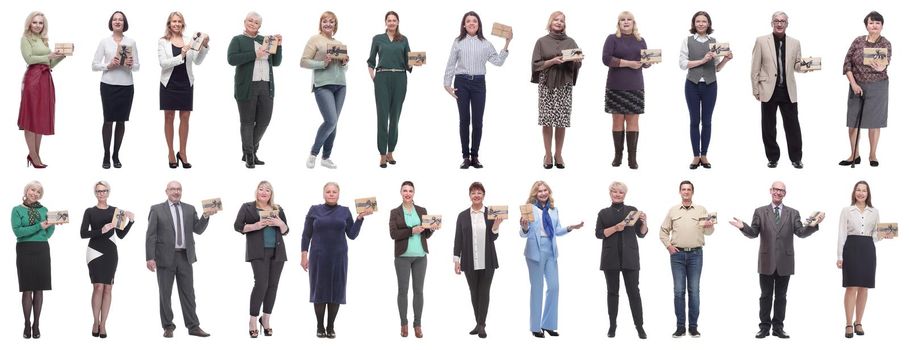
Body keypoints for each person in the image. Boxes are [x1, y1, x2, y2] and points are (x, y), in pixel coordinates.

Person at [729, 181, 823, 339]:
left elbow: (800, 232)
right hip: (766, 260)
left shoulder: (793, 213)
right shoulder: (760, 212)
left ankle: (778, 328)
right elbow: (753, 233)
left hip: (785, 261)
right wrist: (742, 226)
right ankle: (764, 327)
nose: (778, 193)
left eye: (782, 190)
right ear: (770, 191)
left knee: (781, 297)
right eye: (776, 189)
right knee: (765, 295)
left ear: (785, 193)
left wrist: (814, 225)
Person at [301, 182, 372, 339]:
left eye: (334, 191)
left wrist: (359, 218)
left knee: (336, 290)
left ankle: (331, 326)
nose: (331, 194)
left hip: (339, 257)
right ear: (323, 194)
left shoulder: (345, 211)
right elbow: (306, 235)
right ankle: (320, 325)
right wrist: (304, 255)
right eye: (328, 191)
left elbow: (352, 235)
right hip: (318, 256)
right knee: (319, 291)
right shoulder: (314, 210)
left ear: (339, 194)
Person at [145, 181, 215, 338]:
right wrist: (150, 257)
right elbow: (151, 235)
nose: (176, 192)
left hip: (185, 256)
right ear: (166, 191)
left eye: (179, 189)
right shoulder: (156, 209)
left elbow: (198, 230)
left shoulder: (189, 209)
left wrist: (205, 216)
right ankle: (168, 326)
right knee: (165, 293)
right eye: (173, 189)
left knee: (189, 293)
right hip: (164, 257)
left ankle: (193, 326)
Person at [443, 11, 512, 169]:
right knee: (464, 120)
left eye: (475, 21)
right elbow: (451, 63)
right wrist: (447, 84)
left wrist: (507, 44)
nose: (472, 23)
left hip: (479, 84)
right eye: (468, 21)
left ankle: (475, 156)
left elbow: (498, 62)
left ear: (479, 25)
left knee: (478, 122)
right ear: (464, 25)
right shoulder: (458, 42)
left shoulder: (485, 43)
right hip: (461, 82)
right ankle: (465, 157)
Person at [519, 181, 583, 338]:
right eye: (539, 191)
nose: (542, 193)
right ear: (535, 193)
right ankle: (535, 327)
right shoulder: (529, 208)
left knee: (554, 287)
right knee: (537, 288)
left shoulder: (554, 210)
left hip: (551, 249)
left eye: (545, 190)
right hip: (535, 250)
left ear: (549, 191)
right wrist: (525, 227)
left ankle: (548, 324)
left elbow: (556, 231)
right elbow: (523, 233)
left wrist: (570, 228)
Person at [751, 11, 808, 169]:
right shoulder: (761, 41)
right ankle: (773, 157)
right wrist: (755, 89)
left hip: (788, 90)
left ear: (787, 24)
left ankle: (796, 158)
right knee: (768, 127)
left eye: (782, 21)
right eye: (776, 20)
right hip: (768, 89)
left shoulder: (795, 43)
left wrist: (806, 67)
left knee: (793, 127)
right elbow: (755, 67)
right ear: (772, 23)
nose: (779, 23)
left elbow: (797, 65)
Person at [837, 181, 893, 338]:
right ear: (854, 192)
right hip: (851, 248)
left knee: (864, 287)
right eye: (858, 190)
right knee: (851, 287)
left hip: (868, 249)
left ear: (868, 194)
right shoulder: (846, 210)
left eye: (864, 191)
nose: (861, 193)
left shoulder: (874, 212)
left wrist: (884, 234)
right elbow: (841, 234)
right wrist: (839, 256)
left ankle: (859, 322)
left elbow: (875, 235)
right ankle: (848, 323)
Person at [658, 180, 714, 338]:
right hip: (677, 256)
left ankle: (694, 327)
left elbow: (708, 233)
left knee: (694, 291)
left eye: (689, 189)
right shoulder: (673, 211)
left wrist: (710, 226)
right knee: (678, 291)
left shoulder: (701, 210)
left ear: (692, 192)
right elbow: (663, 231)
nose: (686, 192)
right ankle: (680, 327)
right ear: (680, 192)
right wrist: (668, 246)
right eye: (683, 189)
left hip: (696, 255)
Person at [234, 181, 288, 338]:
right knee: (261, 284)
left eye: (268, 190)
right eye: (261, 189)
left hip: (278, 252)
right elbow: (238, 226)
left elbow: (286, 230)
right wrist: (255, 226)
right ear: (256, 191)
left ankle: (265, 319)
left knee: (273, 286)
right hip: (258, 252)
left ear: (271, 194)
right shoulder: (247, 207)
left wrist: (280, 223)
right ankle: (252, 320)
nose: (264, 192)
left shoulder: (278, 208)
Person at [79, 181, 134, 338]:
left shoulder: (116, 211)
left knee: (108, 288)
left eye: (104, 191)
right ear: (95, 193)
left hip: (110, 251)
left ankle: (103, 324)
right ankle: (95, 321)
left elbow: (121, 235)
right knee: (97, 287)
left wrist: (131, 221)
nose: (101, 193)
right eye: (98, 191)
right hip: (94, 250)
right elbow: (83, 233)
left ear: (108, 192)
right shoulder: (89, 211)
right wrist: (100, 230)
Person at [228, 12, 282, 169]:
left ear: (260, 26)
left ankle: (249, 150)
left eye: (256, 22)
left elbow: (276, 63)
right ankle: (250, 155)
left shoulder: (265, 40)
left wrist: (279, 45)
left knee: (264, 121)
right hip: (247, 86)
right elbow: (231, 59)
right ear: (244, 22)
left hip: (266, 85)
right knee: (247, 122)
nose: (252, 23)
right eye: (250, 20)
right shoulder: (237, 39)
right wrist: (254, 54)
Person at [595, 181, 649, 339]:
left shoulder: (632, 211)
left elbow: (642, 233)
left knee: (634, 292)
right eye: (615, 192)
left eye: (621, 192)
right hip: (610, 258)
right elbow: (598, 234)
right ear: (610, 193)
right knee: (612, 292)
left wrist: (644, 221)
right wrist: (615, 228)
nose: (618, 194)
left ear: (625, 195)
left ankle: (639, 327)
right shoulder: (603, 213)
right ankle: (612, 326)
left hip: (630, 257)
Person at [680, 11, 732, 169]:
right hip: (692, 84)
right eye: (698, 21)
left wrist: (725, 60)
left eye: (704, 21)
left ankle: (704, 155)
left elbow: (716, 69)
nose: (701, 24)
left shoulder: (714, 42)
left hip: (710, 85)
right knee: (694, 121)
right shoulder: (687, 40)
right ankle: (696, 156)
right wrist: (702, 60)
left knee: (707, 121)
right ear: (694, 24)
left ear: (708, 24)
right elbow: (682, 64)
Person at [531, 11, 582, 169]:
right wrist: (552, 61)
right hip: (546, 84)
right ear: (550, 22)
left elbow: (576, 65)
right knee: (547, 121)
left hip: (564, 84)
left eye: (562, 21)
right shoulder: (541, 41)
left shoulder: (571, 41)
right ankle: (547, 154)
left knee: (561, 121)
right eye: (556, 20)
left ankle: (558, 154)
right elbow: (536, 64)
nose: (559, 22)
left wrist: (577, 61)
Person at [839, 11, 891, 167]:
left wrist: (882, 67)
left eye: (877, 23)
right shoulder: (858, 41)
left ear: (882, 25)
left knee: (874, 122)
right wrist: (853, 83)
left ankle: (873, 155)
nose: (874, 25)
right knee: (853, 122)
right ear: (866, 25)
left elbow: (886, 62)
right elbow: (847, 63)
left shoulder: (885, 43)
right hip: (857, 85)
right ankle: (854, 155)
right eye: (871, 23)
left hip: (878, 86)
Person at [159, 12, 209, 169]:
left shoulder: (189, 40)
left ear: (183, 24)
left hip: (186, 82)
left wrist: (204, 46)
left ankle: (183, 152)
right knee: (169, 117)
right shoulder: (163, 41)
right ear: (169, 24)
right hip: (169, 83)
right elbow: (163, 63)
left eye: (179, 21)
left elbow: (197, 61)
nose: (176, 24)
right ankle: (171, 152)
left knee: (185, 117)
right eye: (174, 21)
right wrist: (181, 55)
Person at [453, 182, 504, 338]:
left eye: (479, 193)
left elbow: (493, 237)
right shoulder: (462, 215)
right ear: (470, 196)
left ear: (484, 195)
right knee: (474, 292)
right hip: (469, 260)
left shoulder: (491, 213)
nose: (476, 195)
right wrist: (456, 260)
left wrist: (496, 225)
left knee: (484, 291)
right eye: (473, 193)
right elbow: (458, 239)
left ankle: (481, 325)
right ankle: (478, 322)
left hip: (487, 260)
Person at [388, 181, 438, 338]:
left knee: (419, 291)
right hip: (402, 257)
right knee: (403, 291)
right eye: (405, 190)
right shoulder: (395, 212)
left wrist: (432, 229)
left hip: (420, 256)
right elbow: (393, 234)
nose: (407, 193)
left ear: (414, 193)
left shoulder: (422, 210)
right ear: (401, 192)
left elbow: (426, 234)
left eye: (410, 190)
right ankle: (404, 324)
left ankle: (418, 324)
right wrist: (411, 230)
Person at [603, 11, 651, 170]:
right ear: (618, 23)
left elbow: (645, 61)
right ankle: (618, 156)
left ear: (633, 23)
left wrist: (649, 62)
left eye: (629, 19)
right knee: (617, 120)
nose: (626, 22)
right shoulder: (612, 39)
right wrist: (628, 63)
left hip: (635, 85)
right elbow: (606, 59)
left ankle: (632, 158)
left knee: (633, 122)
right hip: (616, 85)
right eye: (622, 20)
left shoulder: (640, 40)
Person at [92, 11, 139, 169]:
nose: (117, 22)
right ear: (111, 23)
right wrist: (108, 65)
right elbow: (94, 65)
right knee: (108, 120)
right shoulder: (104, 42)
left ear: (124, 23)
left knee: (121, 121)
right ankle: (106, 154)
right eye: (115, 19)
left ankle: (116, 154)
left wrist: (131, 64)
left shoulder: (131, 42)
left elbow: (138, 66)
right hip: (108, 85)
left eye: (120, 19)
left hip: (126, 86)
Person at [301, 11, 347, 170]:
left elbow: (344, 67)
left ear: (335, 25)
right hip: (323, 85)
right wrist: (322, 63)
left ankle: (326, 157)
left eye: (331, 22)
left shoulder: (339, 43)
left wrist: (344, 62)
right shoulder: (315, 39)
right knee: (331, 121)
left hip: (340, 85)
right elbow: (303, 61)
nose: (328, 24)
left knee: (334, 123)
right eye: (325, 21)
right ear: (320, 24)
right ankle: (313, 154)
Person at [19, 11, 65, 169]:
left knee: (40, 117)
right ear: (29, 23)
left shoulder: (44, 40)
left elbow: (49, 65)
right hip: (33, 79)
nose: (38, 25)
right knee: (31, 117)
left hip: (45, 79)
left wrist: (60, 57)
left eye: (40, 23)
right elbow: (29, 59)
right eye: (35, 22)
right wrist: (49, 56)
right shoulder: (26, 39)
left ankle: (36, 155)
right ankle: (33, 154)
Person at [368, 11, 412, 168]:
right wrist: (374, 78)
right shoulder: (378, 39)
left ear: (398, 22)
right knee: (382, 116)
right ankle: (381, 154)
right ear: (385, 22)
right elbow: (371, 60)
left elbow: (409, 61)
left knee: (395, 117)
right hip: (382, 78)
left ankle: (390, 152)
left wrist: (415, 62)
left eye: (394, 20)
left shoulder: (403, 39)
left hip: (400, 78)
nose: (392, 22)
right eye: (389, 20)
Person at [12, 181, 56, 339]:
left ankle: (36, 324)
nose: (35, 193)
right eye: (32, 190)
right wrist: (39, 227)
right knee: (27, 288)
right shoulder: (17, 210)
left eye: (38, 192)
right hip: (24, 249)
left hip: (42, 249)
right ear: (26, 190)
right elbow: (18, 232)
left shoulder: (45, 210)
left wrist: (46, 231)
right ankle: (26, 323)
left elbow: (50, 229)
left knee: (39, 288)